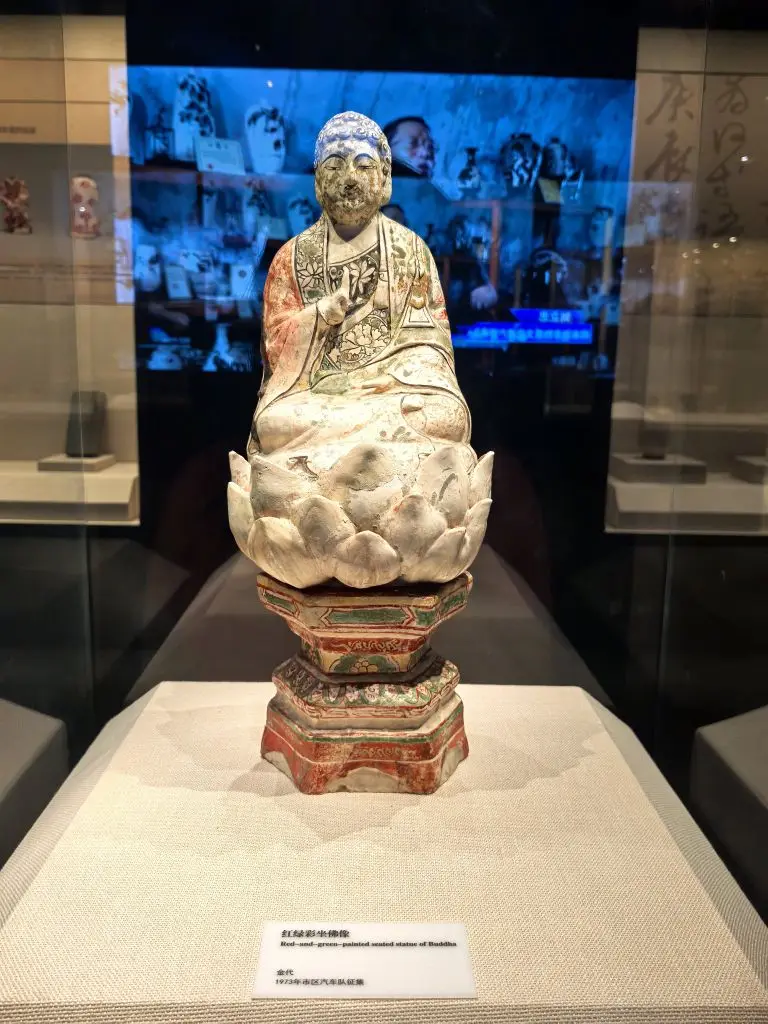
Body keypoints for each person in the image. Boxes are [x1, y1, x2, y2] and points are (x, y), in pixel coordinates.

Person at [248, 111, 469, 462]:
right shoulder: (291, 257)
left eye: (364, 166)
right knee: (276, 424)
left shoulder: (410, 251)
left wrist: (394, 378)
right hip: (317, 397)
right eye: (335, 166)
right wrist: (320, 315)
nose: (349, 179)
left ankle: (349, 454)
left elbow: (431, 345)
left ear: (385, 178)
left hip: (391, 394)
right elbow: (275, 351)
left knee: (447, 417)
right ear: (317, 181)